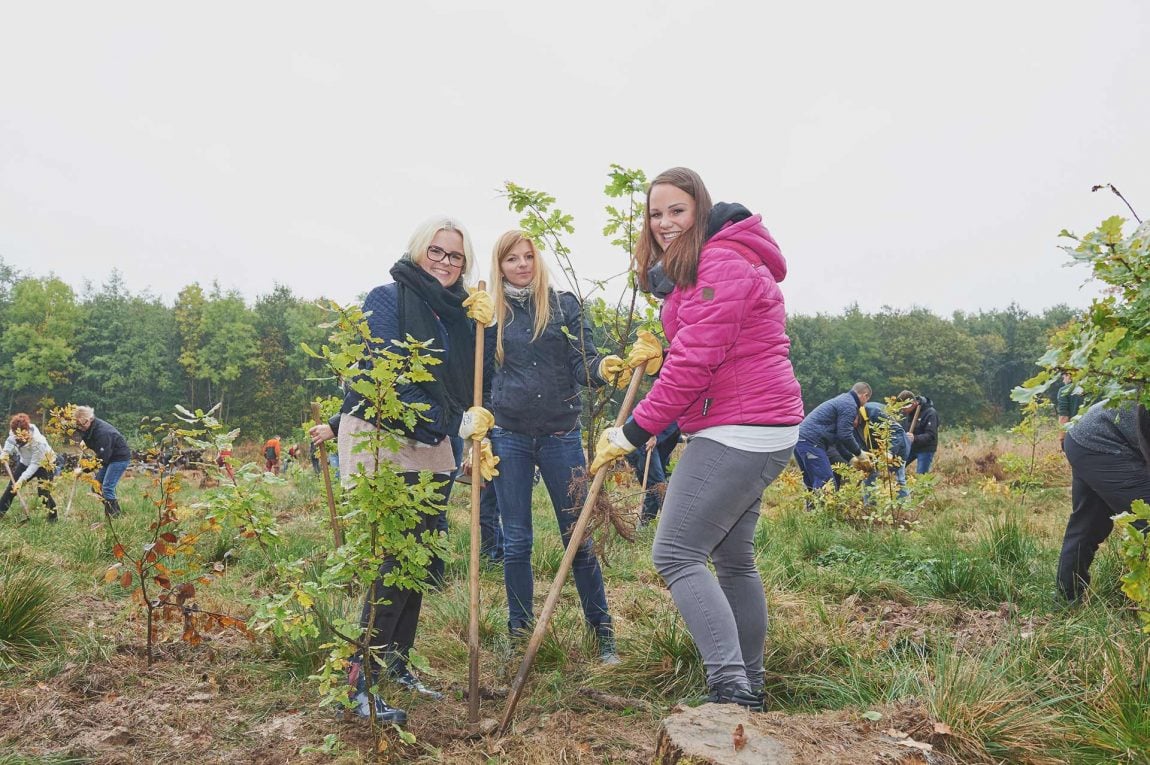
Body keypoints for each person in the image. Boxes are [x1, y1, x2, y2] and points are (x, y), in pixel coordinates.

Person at [590, 168, 804, 711]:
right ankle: (749, 685)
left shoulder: (719, 261)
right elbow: (701, 346)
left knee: (676, 552)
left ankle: (730, 689)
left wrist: (633, 432)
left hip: (740, 426)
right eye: (655, 214)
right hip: (753, 420)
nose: (665, 223)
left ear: (700, 210)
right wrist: (665, 344)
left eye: (677, 211)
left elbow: (695, 365)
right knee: (733, 560)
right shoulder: (705, 264)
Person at [334, 215, 493, 724]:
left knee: (419, 558)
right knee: (389, 560)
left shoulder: (457, 315)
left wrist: (485, 330)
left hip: (433, 441)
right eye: (437, 252)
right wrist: (452, 420)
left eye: (456, 256)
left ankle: (395, 664)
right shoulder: (387, 298)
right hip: (382, 435)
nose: (445, 262)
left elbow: (473, 379)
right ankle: (357, 680)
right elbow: (380, 380)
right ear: (418, 250)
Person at [483, 229, 624, 661]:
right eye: (512, 259)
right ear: (499, 264)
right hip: (509, 435)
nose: (522, 265)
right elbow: (478, 377)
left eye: (528, 257)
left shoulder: (563, 306)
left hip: (561, 434)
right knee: (518, 541)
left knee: (577, 536)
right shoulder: (489, 315)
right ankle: (519, 633)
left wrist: (604, 368)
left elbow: (584, 362)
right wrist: (478, 431)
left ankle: (602, 636)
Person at [1057, 401, 1150, 602]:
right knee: (1148, 519)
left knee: (1088, 525)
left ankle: (1066, 601)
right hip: (1101, 441)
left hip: (1083, 438)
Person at [794, 383, 872, 491]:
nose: (864, 405)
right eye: (867, 400)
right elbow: (845, 435)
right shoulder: (850, 405)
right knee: (826, 482)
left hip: (801, 439)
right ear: (865, 395)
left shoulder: (843, 400)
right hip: (812, 441)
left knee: (811, 482)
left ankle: (813, 508)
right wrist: (860, 454)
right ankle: (825, 508)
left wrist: (850, 458)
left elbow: (838, 439)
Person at [73, 406, 133, 518]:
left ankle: (114, 517)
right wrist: (84, 441)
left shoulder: (103, 432)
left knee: (107, 487)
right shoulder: (89, 427)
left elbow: (102, 458)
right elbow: (88, 435)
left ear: (90, 418)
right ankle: (112, 511)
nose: (81, 427)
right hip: (108, 457)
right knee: (96, 487)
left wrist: (83, 470)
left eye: (83, 424)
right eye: (79, 425)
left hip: (119, 457)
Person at [0, 413, 59, 522]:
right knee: (11, 489)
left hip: (45, 463)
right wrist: (5, 453)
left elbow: (34, 465)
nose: (17, 436)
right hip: (25, 462)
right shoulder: (14, 432)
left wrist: (21, 481)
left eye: (20, 435)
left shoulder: (38, 442)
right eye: (15, 433)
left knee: (43, 493)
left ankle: (53, 518)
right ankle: (0, 513)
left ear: (26, 430)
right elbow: (9, 441)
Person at [623, 422, 680, 525]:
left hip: (660, 444)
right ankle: (675, 527)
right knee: (659, 487)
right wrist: (650, 432)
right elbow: (653, 408)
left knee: (653, 490)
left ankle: (644, 528)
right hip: (645, 439)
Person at [854, 401, 909, 500]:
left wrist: (890, 452)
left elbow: (897, 431)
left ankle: (905, 509)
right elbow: (860, 443)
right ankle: (870, 507)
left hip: (897, 447)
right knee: (868, 477)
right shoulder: (854, 425)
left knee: (898, 478)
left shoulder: (874, 411)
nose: (852, 424)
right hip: (876, 451)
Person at [897, 391, 939, 474]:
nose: (903, 410)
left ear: (913, 403)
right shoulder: (905, 413)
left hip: (925, 448)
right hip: (910, 447)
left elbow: (931, 435)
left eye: (904, 407)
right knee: (896, 467)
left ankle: (921, 486)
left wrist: (914, 438)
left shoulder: (930, 413)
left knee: (921, 475)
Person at [1056, 372, 1084, 448]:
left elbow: (1064, 416)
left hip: (1076, 435)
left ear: (1069, 376)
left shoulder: (1065, 391)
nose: (1063, 381)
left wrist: (1062, 438)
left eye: (1063, 377)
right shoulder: (1096, 387)